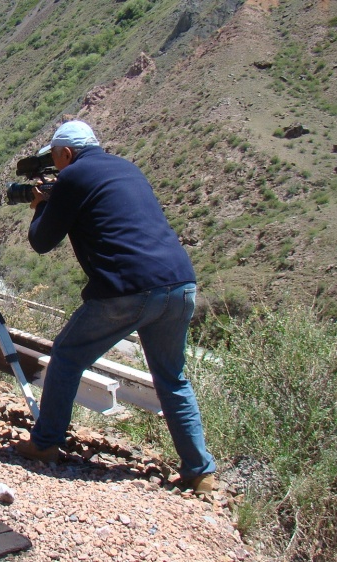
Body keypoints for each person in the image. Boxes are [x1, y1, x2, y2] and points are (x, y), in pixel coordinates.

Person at [14, 121, 217, 493]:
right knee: (172, 378)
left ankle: (45, 445)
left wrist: (41, 205)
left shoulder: (72, 177)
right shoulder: (128, 167)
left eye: (56, 159)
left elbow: (42, 242)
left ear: (66, 154)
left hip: (127, 288)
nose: (57, 166)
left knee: (67, 355)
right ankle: (199, 470)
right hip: (180, 284)